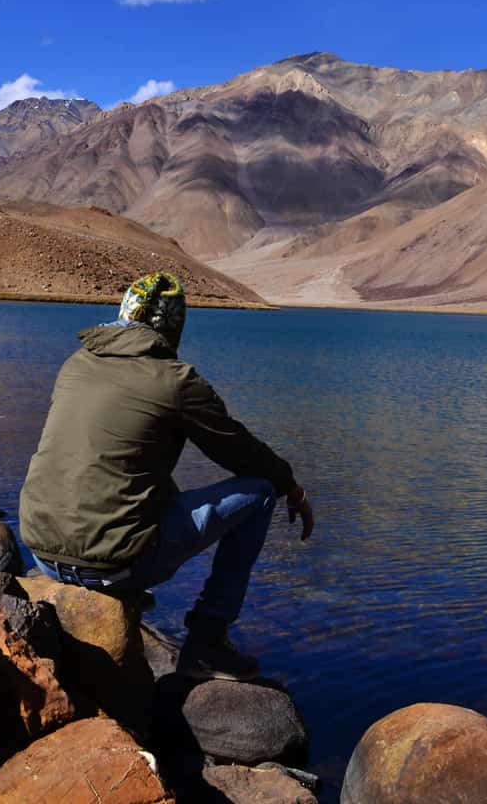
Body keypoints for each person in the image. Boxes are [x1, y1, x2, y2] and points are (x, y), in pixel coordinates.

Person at [18, 271, 313, 681]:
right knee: (261, 493)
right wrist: (291, 486)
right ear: (174, 326)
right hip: (111, 565)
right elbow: (242, 454)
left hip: (41, 553)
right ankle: (207, 642)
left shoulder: (76, 363)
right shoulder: (176, 382)